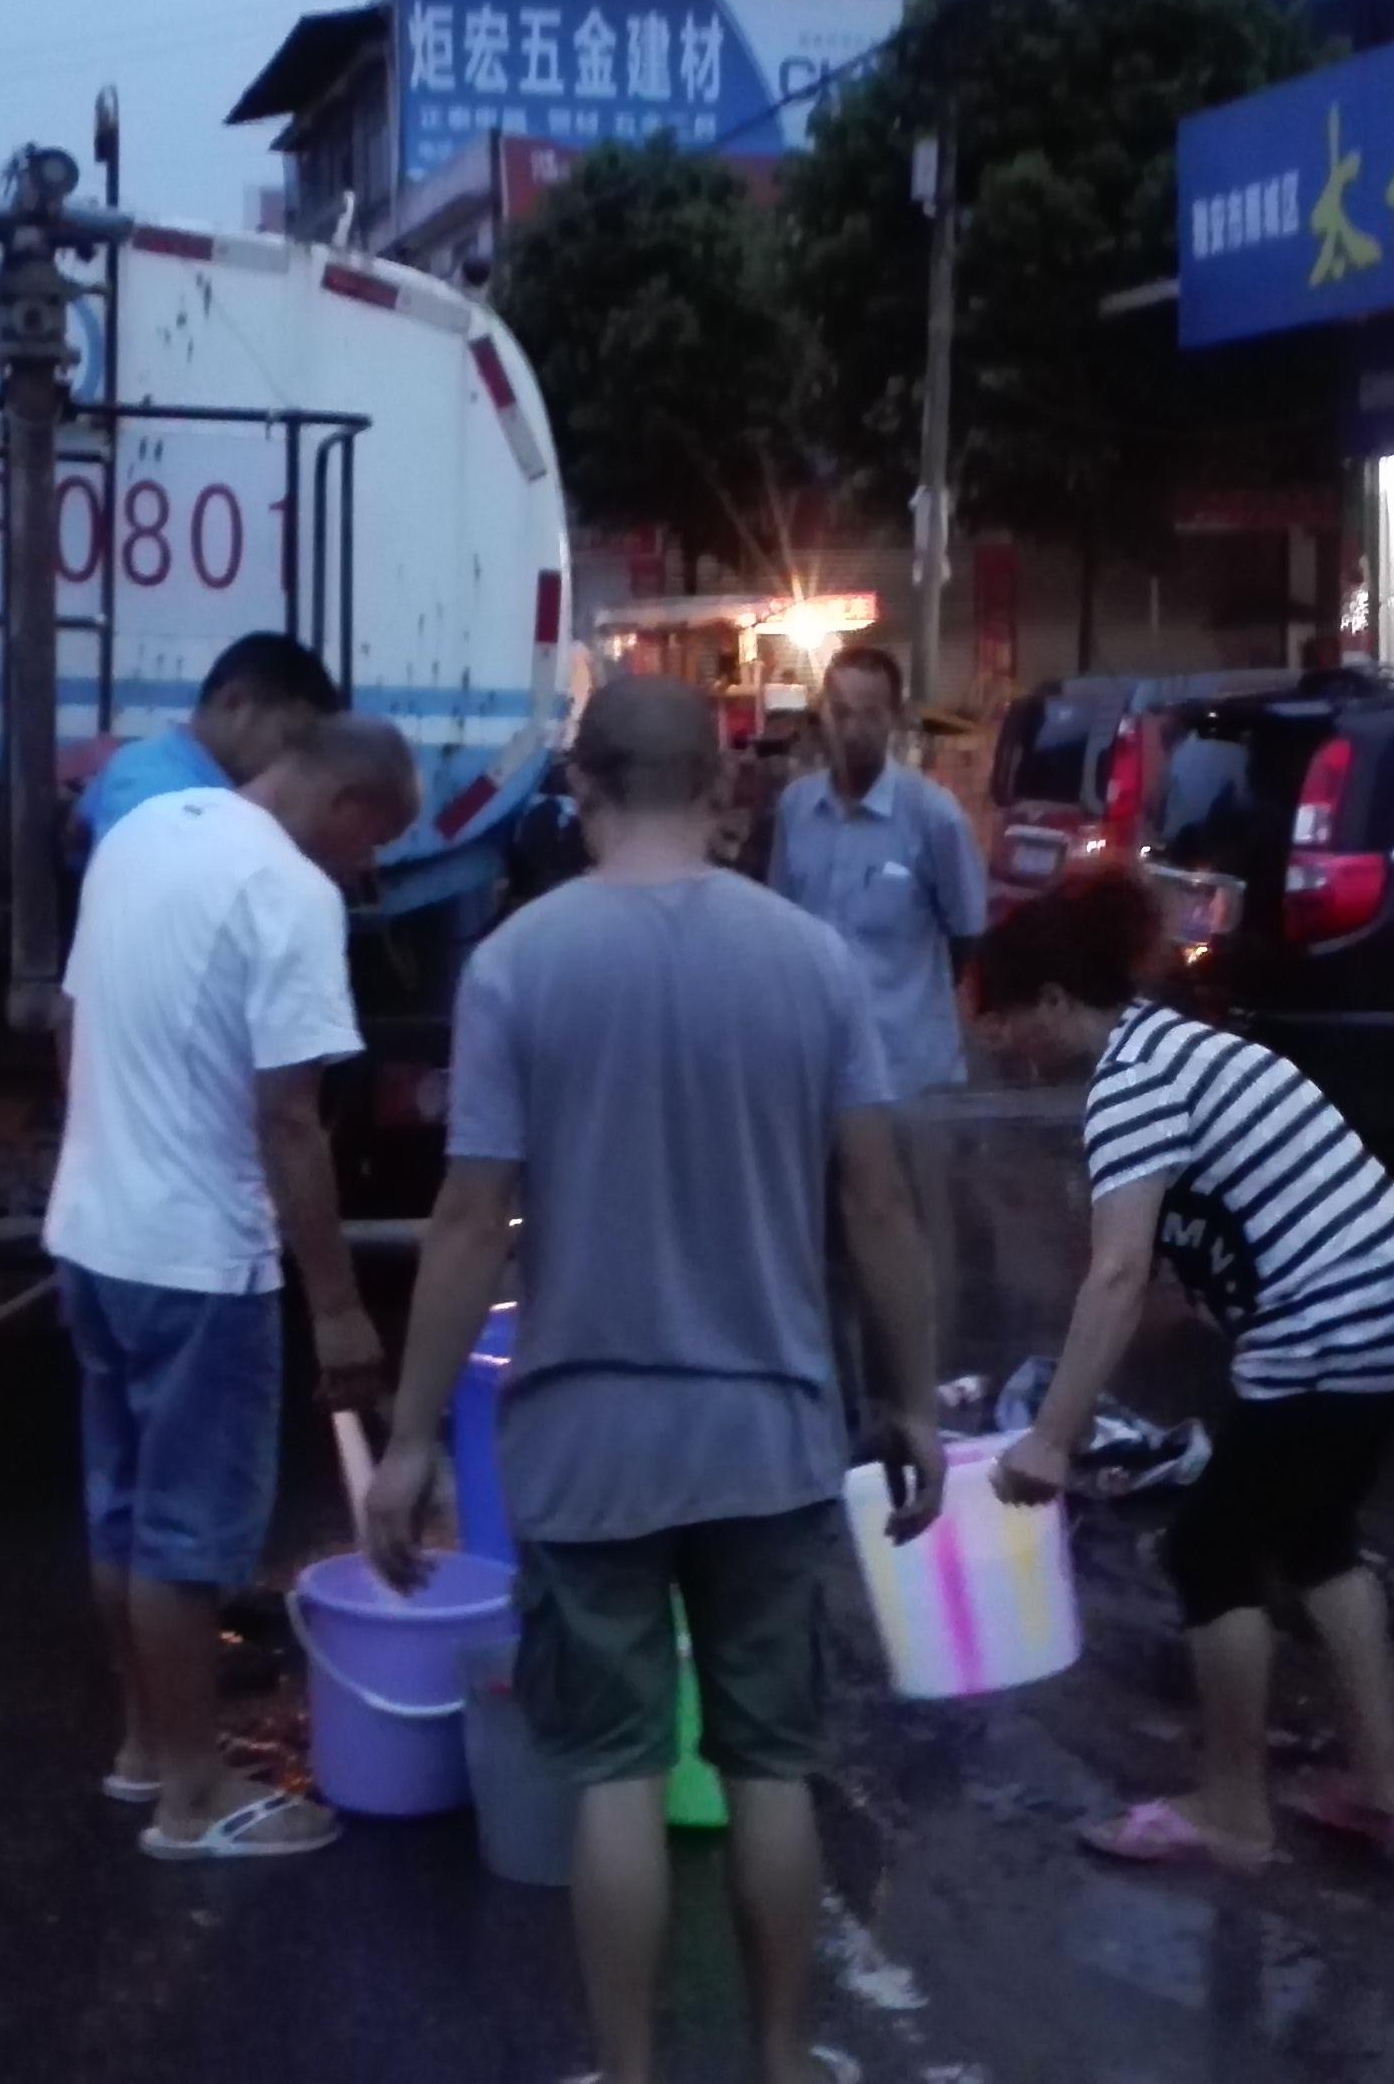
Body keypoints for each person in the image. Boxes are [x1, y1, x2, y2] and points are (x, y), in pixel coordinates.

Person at [366, 675, 950, 2084]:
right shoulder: (811, 961)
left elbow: (471, 1218)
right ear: (724, 788)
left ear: (578, 791)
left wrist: (409, 1439)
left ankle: (628, 2075)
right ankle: (778, 2061)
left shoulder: (517, 963)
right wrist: (915, 1399)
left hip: (589, 1443)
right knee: (768, 1764)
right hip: (767, 1432)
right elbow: (875, 1200)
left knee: (616, 1773)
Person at [973, 872, 1394, 1872]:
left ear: (1054, 1001)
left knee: (1208, 1548)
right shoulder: (1176, 1046)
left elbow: (1116, 1272)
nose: (1007, 1051)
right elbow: (1164, 1268)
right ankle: (1387, 1788)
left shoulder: (1132, 1084)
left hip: (1335, 1324)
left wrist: (1050, 1440)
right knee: (1314, 1535)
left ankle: (1232, 1813)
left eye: (1008, 1026)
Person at [48, 711, 418, 1860]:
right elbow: (288, 1119)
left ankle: (145, 1747)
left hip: (93, 1234)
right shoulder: (288, 892)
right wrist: (339, 1307)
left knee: (123, 1508)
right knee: (185, 1535)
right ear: (346, 806)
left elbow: (70, 1024)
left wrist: (110, 1153)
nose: (363, 871)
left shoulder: (140, 831)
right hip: (198, 1263)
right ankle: (195, 1797)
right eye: (373, 844)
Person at [768, 646, 988, 1103]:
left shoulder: (934, 817)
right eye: (841, 712)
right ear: (822, 712)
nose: (853, 730)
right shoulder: (796, 809)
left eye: (870, 715)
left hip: (909, 1076)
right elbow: (782, 927)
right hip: (819, 1069)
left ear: (895, 717)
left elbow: (967, 936)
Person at [72, 630, 345, 865]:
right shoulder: (165, 795)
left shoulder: (136, 762)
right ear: (235, 704)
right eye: (289, 739)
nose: (295, 762)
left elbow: (76, 830)